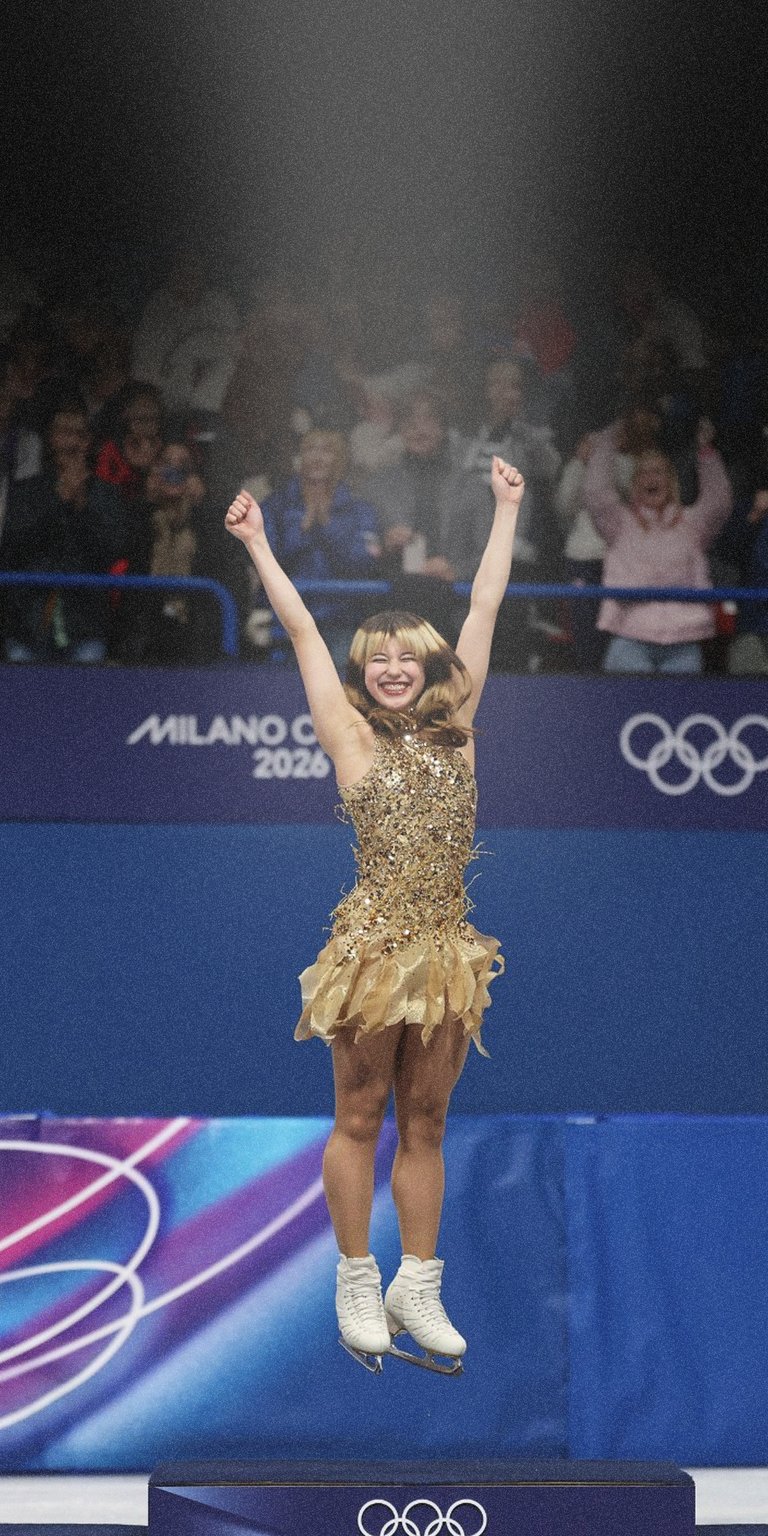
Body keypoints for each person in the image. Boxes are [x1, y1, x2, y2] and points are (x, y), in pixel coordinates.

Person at [224, 455, 524, 1374]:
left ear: (430, 668)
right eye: (378, 660)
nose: (393, 669)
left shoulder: (459, 725)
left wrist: (507, 508)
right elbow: (307, 633)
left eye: (408, 658)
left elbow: (483, 607)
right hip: (374, 949)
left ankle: (417, 1283)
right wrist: (258, 544)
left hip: (445, 951)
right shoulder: (347, 736)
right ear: (365, 675)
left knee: (426, 1118)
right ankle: (358, 1276)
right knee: (361, 1115)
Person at [583, 427, 732, 674]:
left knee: (679, 711)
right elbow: (596, 494)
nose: (651, 477)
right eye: (643, 472)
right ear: (635, 482)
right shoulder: (619, 523)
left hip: (683, 642)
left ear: (671, 479)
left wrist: (706, 454)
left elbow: (719, 503)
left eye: (658, 471)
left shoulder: (691, 524)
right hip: (629, 636)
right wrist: (606, 441)